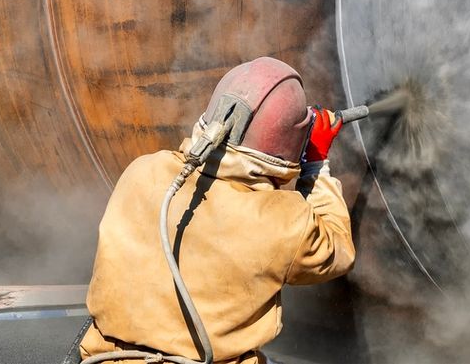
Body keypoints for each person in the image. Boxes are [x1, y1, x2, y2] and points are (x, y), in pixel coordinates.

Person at [78, 56, 355, 364]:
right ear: (287, 146)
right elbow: (338, 251)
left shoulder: (142, 171)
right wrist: (315, 164)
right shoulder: (282, 220)